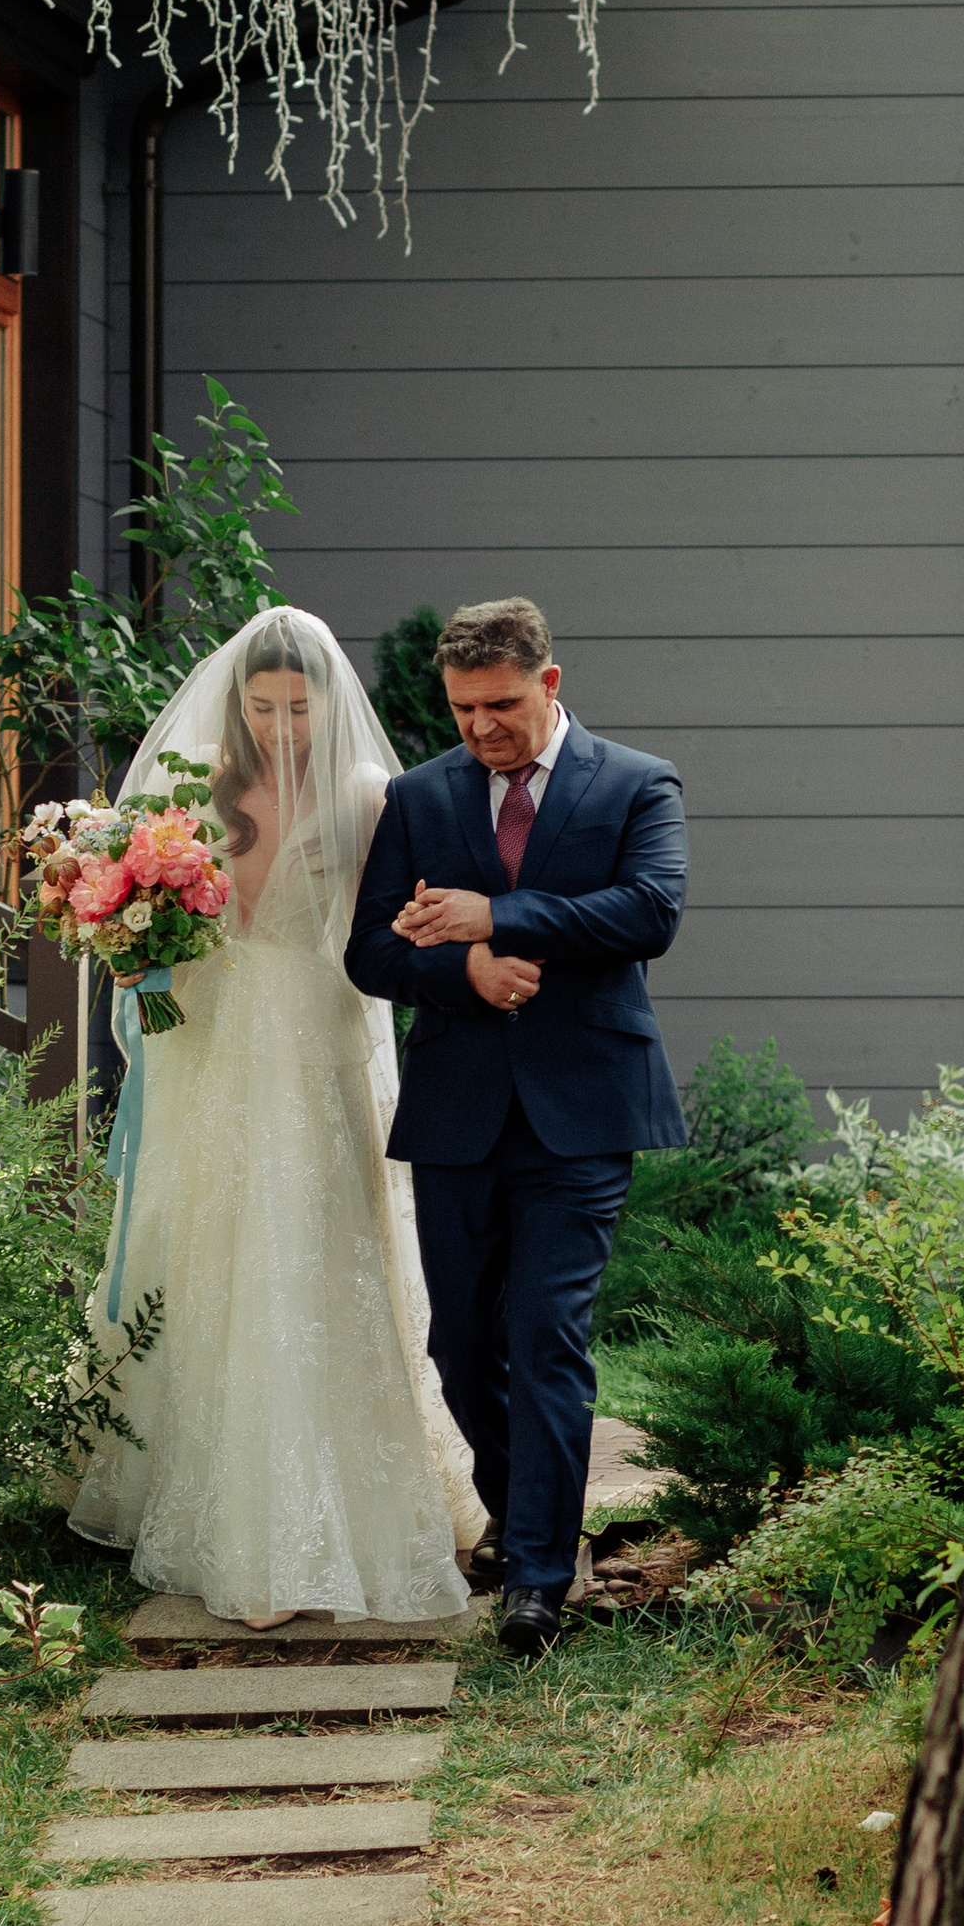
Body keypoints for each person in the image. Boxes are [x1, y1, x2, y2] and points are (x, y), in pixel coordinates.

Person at [68, 609, 485, 1627]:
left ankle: (349, 1505)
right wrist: (132, 942)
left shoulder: (366, 799)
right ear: (238, 705)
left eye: (301, 707)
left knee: (320, 1249)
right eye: (265, 707)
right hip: (211, 1044)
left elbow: (397, 922)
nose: (285, 725)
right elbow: (131, 917)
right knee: (211, 1246)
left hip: (317, 1035)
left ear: (330, 703)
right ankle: (209, 1498)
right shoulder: (189, 792)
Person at [346, 596, 687, 1662]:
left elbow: (650, 913)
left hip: (584, 1108)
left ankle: (538, 1577)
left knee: (547, 1338)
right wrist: (463, 968)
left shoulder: (638, 783)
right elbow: (371, 955)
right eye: (462, 711)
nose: (481, 729)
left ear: (548, 682)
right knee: (461, 1348)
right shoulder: (416, 797)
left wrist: (499, 916)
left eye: (499, 705)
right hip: (456, 1112)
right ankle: (525, 1514)